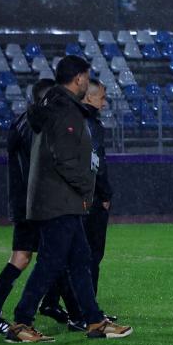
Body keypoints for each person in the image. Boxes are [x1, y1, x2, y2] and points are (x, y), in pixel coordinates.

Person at [5, 55, 132, 343]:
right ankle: (21, 323)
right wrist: (86, 190)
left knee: (80, 259)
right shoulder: (66, 111)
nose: (88, 82)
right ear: (78, 79)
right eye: (87, 77)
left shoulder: (52, 105)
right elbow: (65, 158)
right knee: (51, 261)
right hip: (59, 199)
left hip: (56, 197)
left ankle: (94, 321)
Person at [0, 79, 75, 335]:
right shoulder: (36, 126)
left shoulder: (20, 121)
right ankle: (77, 314)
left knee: (23, 258)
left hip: (24, 203)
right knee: (54, 256)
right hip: (36, 204)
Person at [46, 77, 117, 331]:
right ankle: (88, 312)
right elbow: (96, 163)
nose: (105, 103)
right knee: (89, 256)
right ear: (89, 98)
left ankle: (58, 303)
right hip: (90, 199)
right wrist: (105, 194)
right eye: (102, 97)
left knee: (70, 254)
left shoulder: (70, 121)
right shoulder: (89, 124)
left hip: (70, 197)